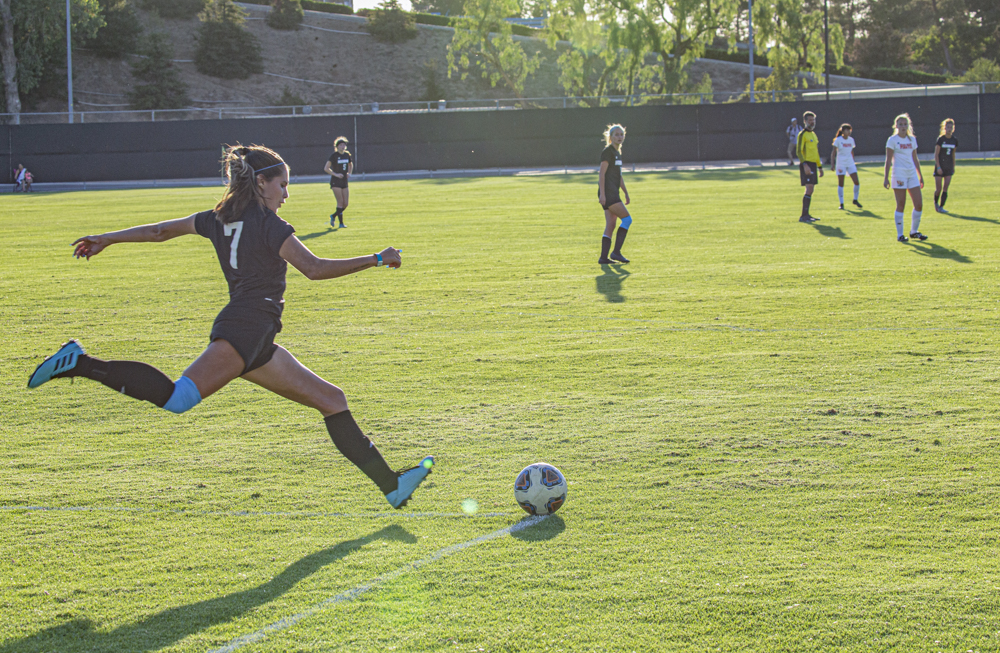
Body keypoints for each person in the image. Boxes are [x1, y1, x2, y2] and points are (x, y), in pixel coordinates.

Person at [27, 144, 433, 509]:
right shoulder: (270, 225)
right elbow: (313, 268)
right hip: (247, 326)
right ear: (261, 183)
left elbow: (158, 232)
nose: (287, 194)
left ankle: (391, 486)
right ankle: (78, 362)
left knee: (332, 399)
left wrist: (107, 238)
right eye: (283, 185)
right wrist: (377, 259)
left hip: (256, 335)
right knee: (178, 398)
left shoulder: (216, 218)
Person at [883, 113, 926, 242]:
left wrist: (920, 176)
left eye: (905, 124)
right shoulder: (892, 140)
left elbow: (915, 158)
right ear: (896, 126)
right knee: (901, 204)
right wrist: (886, 177)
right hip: (899, 174)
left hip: (911, 174)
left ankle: (914, 231)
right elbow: (888, 159)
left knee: (919, 204)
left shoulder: (912, 139)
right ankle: (900, 235)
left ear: (908, 126)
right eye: (900, 124)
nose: (903, 126)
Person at [597, 124, 632, 264]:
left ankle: (603, 258)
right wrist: (603, 194)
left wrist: (626, 193)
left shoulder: (617, 153)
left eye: (621, 134)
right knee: (627, 220)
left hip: (613, 192)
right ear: (610, 137)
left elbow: (619, 176)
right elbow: (601, 173)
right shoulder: (608, 152)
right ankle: (616, 252)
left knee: (611, 224)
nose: (619, 137)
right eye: (616, 135)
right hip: (609, 194)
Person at [796, 111, 823, 223]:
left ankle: (807, 215)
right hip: (806, 164)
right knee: (809, 188)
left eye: (813, 120)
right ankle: (803, 216)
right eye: (810, 120)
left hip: (813, 164)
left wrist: (820, 166)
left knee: (811, 189)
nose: (812, 122)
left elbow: (815, 152)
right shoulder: (802, 134)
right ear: (805, 121)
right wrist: (805, 165)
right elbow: (799, 151)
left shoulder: (813, 135)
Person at [323, 137, 353, 228]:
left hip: (344, 181)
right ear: (337, 146)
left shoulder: (347, 155)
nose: (343, 146)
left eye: (344, 145)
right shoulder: (334, 156)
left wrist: (349, 173)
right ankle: (341, 223)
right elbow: (326, 168)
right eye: (340, 145)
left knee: (345, 204)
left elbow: (350, 164)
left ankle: (333, 216)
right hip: (336, 182)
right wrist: (335, 174)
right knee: (340, 202)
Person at [831, 123, 862, 210]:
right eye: (847, 130)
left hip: (850, 163)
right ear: (843, 131)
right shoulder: (838, 140)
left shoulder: (851, 140)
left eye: (850, 130)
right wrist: (832, 164)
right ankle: (841, 203)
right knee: (841, 183)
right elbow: (833, 152)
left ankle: (855, 200)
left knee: (856, 182)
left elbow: (851, 151)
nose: (849, 132)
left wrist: (853, 161)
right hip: (841, 163)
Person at [933, 118, 957, 214]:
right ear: (944, 128)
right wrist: (938, 167)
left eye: (951, 127)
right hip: (940, 166)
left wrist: (953, 166)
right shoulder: (941, 139)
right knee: (938, 189)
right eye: (948, 127)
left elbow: (953, 154)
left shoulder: (954, 140)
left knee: (945, 188)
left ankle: (941, 207)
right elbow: (936, 154)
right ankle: (936, 203)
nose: (949, 129)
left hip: (948, 167)